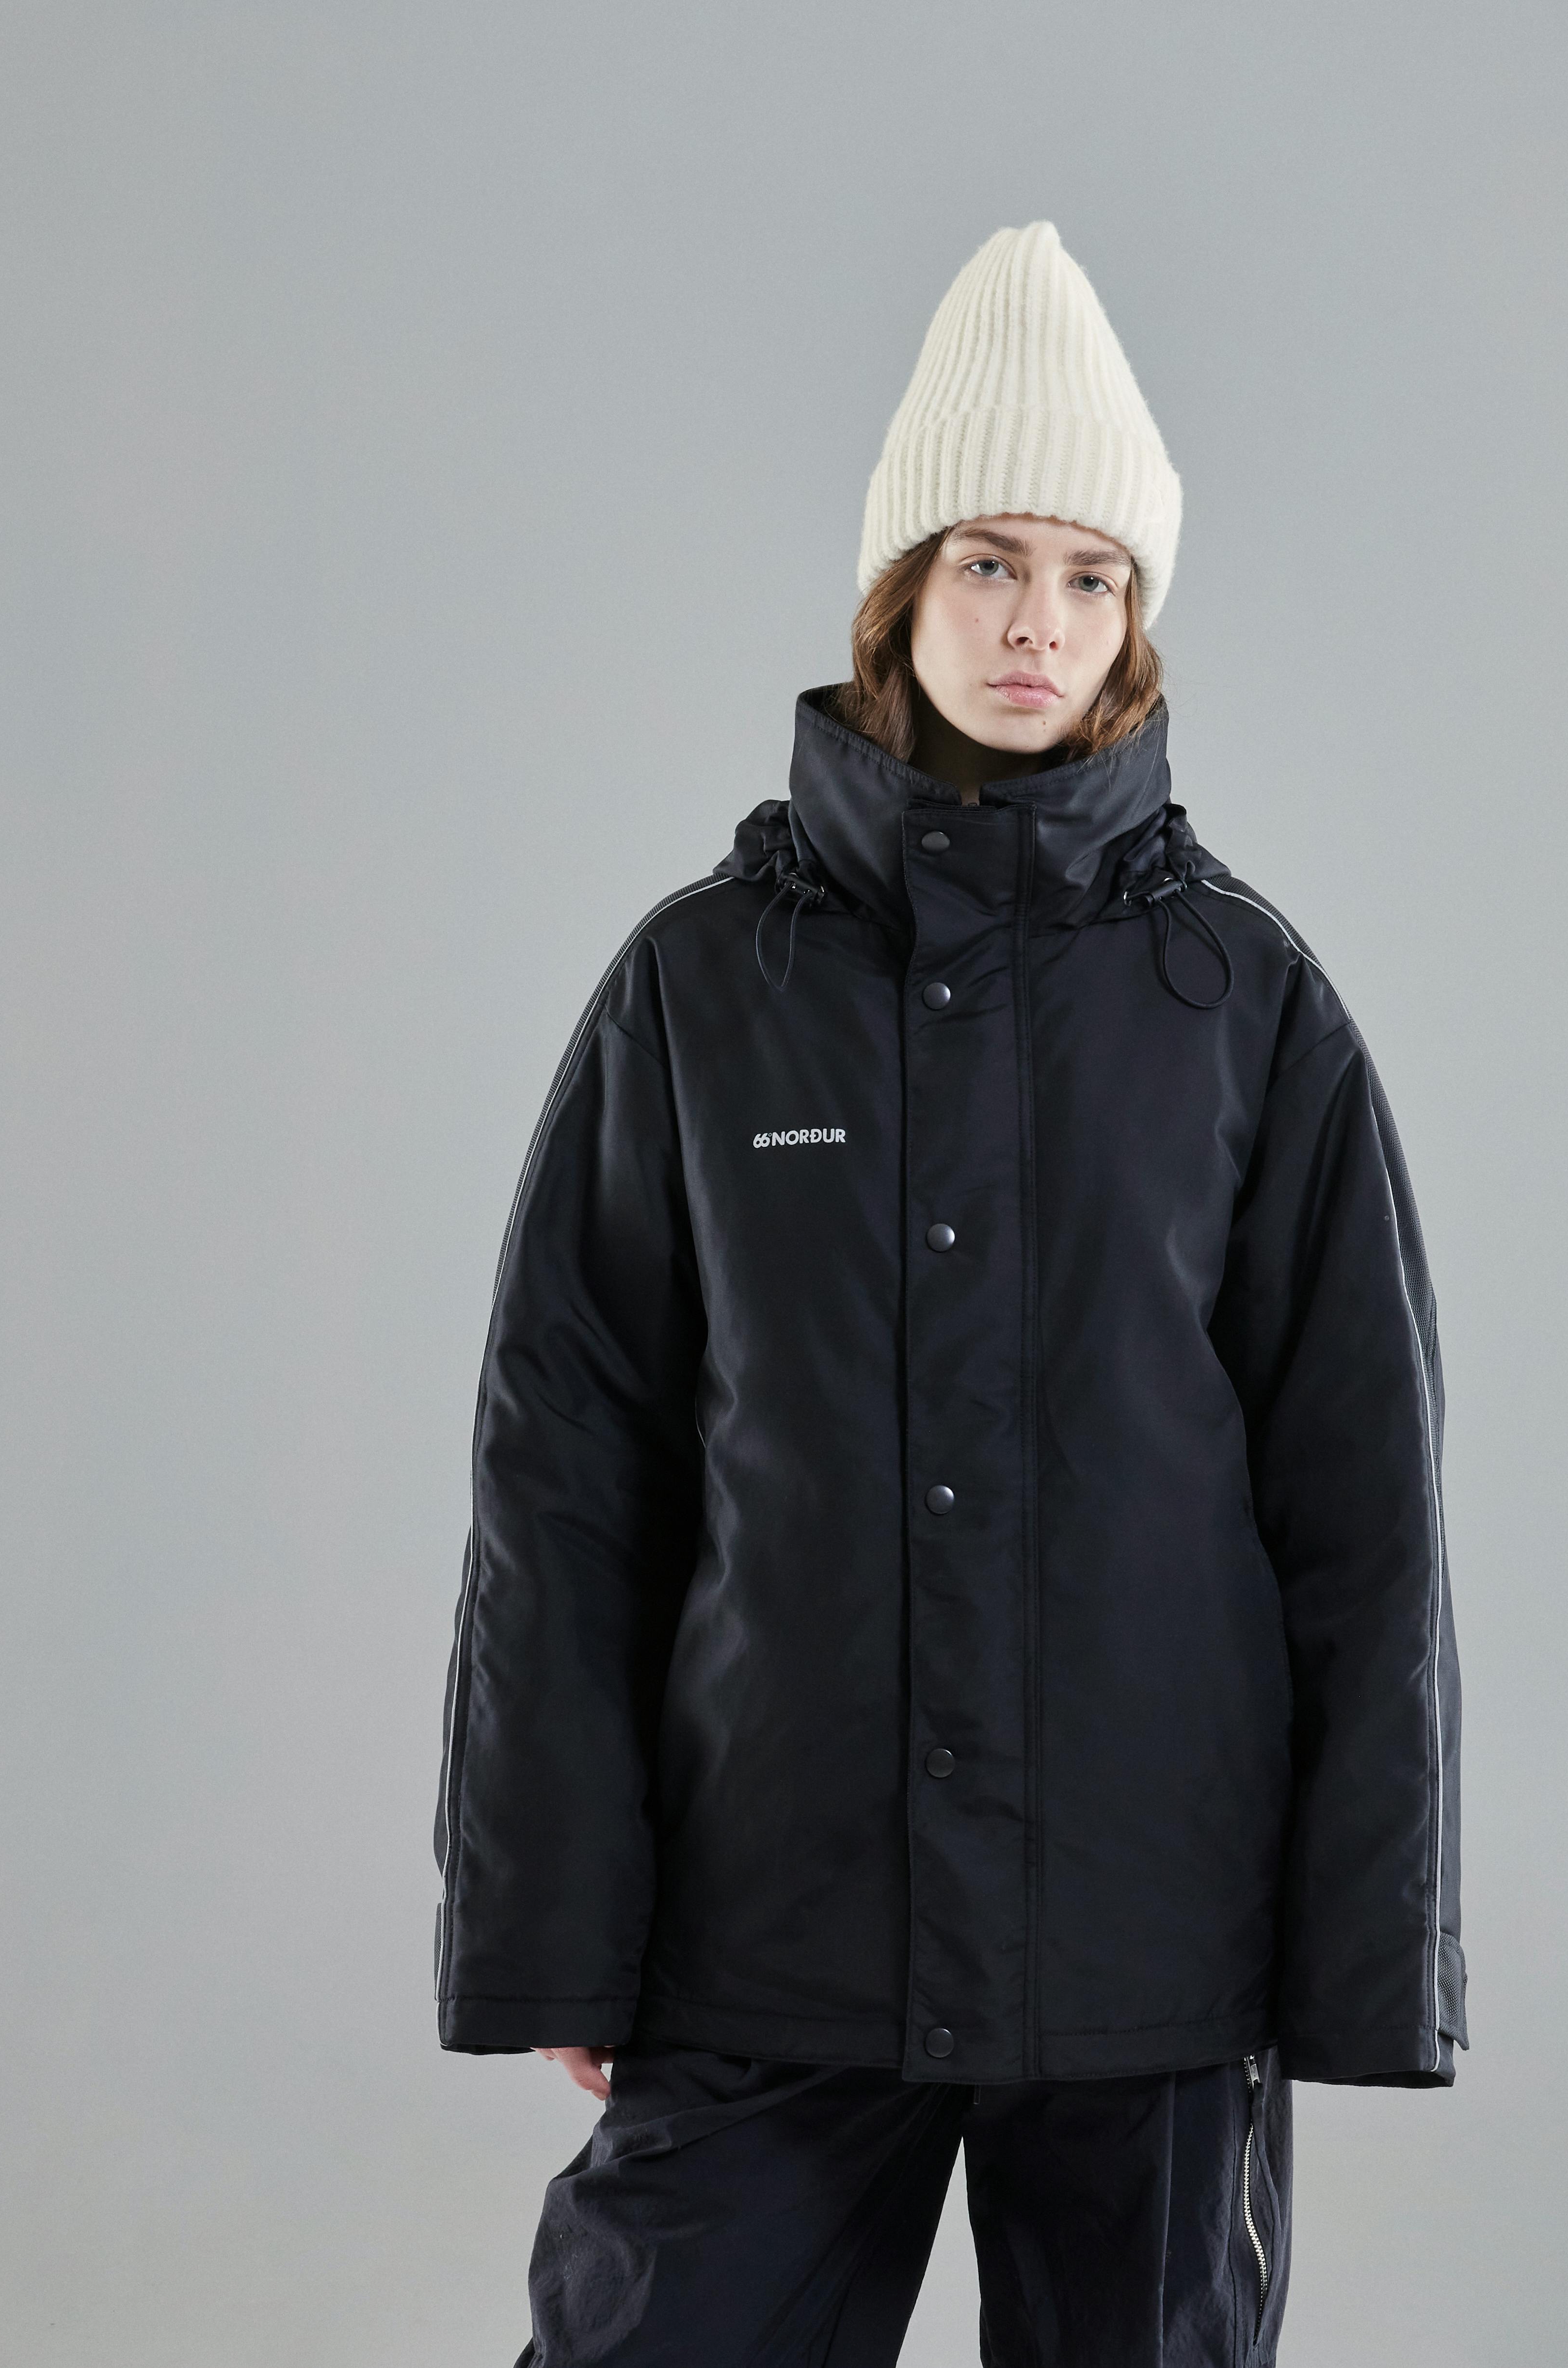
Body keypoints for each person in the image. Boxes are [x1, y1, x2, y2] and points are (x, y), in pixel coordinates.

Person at [433, 221, 1464, 2367]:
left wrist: (1360, 1961)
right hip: (775, 1924)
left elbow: (1361, 1507)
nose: (1037, 623)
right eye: (990, 561)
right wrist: (561, 1926)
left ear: (1135, 616)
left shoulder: (1239, 1002)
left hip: (1147, 1951)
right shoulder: (704, 990)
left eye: (1091, 576)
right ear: (901, 586)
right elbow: (569, 1477)